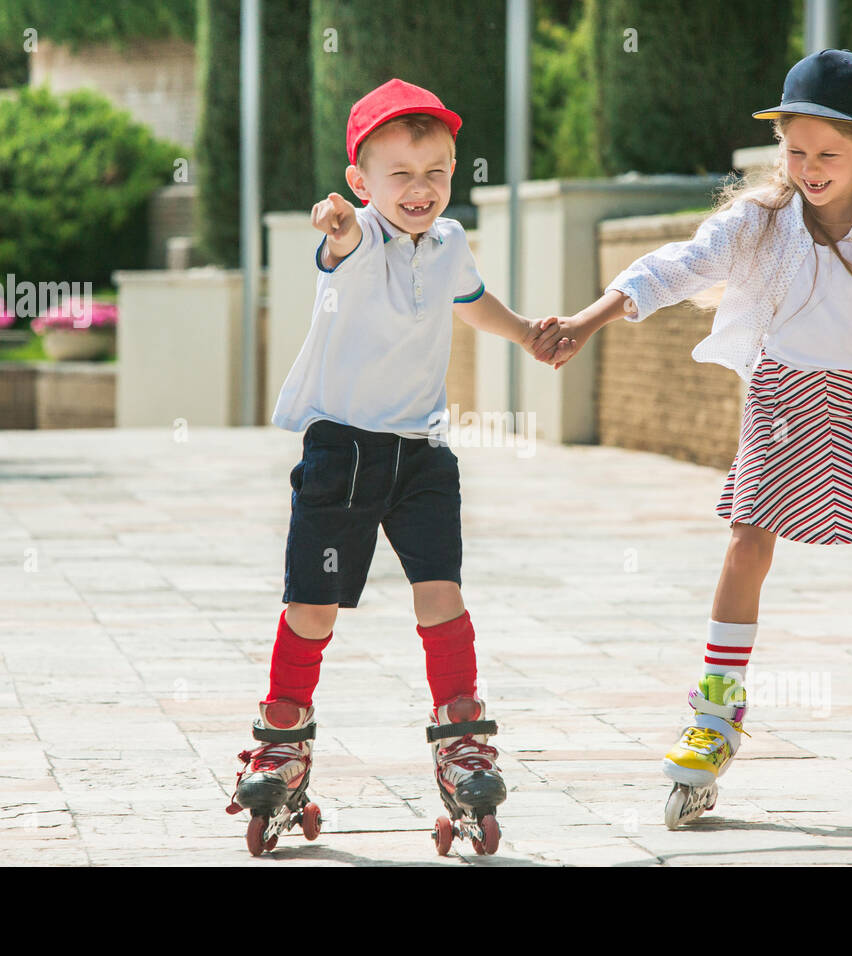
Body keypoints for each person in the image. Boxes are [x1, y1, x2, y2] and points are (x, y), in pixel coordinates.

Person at [548, 50, 852, 829]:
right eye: (795, 151)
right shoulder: (759, 220)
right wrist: (586, 319)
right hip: (781, 391)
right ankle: (715, 714)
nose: (808, 168)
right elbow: (681, 265)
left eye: (828, 155)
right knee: (747, 544)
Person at [226, 78, 569, 854]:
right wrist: (341, 227)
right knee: (313, 608)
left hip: (423, 453)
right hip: (341, 452)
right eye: (401, 175)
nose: (420, 190)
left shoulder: (447, 243)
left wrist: (525, 335)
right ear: (360, 181)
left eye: (437, 172)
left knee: (439, 595)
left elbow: (472, 299)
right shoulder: (355, 238)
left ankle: (463, 742)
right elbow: (338, 247)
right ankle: (282, 738)